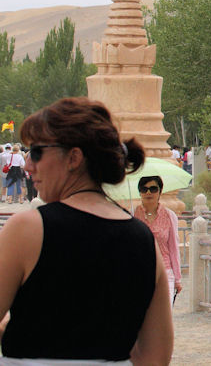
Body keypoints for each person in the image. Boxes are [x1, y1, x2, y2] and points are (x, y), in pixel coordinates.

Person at [0, 97, 173, 363]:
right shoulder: (143, 239)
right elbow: (156, 356)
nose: (27, 165)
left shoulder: (27, 229)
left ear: (74, 157)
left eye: (36, 152)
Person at [133, 175, 182, 302]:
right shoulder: (132, 215)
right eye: (144, 189)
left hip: (165, 272)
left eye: (153, 189)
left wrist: (177, 279)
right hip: (139, 272)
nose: (148, 192)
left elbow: (173, 248)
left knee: (164, 316)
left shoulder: (169, 216)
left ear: (160, 191)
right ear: (140, 192)